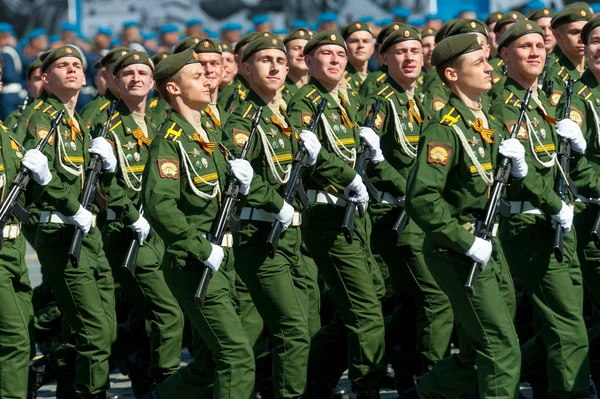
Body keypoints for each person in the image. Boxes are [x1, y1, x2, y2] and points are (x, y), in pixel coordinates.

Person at [142, 49, 279, 399]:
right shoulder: (170, 142)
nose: (208, 79)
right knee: (236, 356)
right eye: (197, 76)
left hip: (223, 258)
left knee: (206, 364)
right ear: (173, 89)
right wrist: (203, 249)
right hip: (196, 261)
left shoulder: (208, 137)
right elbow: (160, 205)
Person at [406, 33, 523, 399]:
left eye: (488, 61)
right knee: (500, 347)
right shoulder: (445, 129)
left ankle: (428, 392)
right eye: (479, 63)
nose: (490, 69)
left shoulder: (483, 121)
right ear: (452, 75)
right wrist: (466, 241)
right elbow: (422, 198)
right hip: (459, 248)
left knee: (479, 347)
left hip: (489, 241)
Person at [491, 20, 600, 396]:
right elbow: (519, 173)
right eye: (524, 47)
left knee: (561, 324)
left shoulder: (549, 103)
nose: (535, 52)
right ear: (504, 54)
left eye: (540, 45)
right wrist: (554, 202)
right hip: (527, 222)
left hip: (560, 223)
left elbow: (572, 167)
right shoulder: (497, 104)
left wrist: (581, 151)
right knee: (569, 325)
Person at [287, 30, 386, 398]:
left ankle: (314, 376)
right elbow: (309, 159)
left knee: (371, 296)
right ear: (308, 62)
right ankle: (366, 387)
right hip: (329, 217)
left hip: (357, 215)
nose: (334, 60)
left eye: (339, 55)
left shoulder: (345, 100)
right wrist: (348, 178)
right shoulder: (304, 102)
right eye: (325, 54)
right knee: (365, 312)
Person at [221, 33, 317, 398]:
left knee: (303, 327)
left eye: (280, 60)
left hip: (293, 237)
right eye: (265, 60)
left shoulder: (285, 114)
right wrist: (276, 204)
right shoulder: (242, 120)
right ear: (245, 69)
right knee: (291, 329)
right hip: (261, 237)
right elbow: (244, 177)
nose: (276, 66)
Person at [358, 24, 454, 390]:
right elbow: (372, 160)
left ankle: (403, 366)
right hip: (396, 216)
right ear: (383, 58)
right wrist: (413, 192)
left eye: (415, 51)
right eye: (399, 52)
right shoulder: (379, 100)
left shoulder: (431, 98)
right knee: (436, 298)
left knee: (411, 304)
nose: (410, 57)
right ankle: (435, 383)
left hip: (427, 212)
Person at [24, 45, 118, 398]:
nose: (72, 69)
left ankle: (44, 373)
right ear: (46, 78)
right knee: (94, 333)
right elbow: (41, 180)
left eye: (77, 64)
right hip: (60, 231)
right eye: (63, 65)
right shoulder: (40, 119)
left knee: (104, 331)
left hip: (87, 231)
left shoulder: (75, 121)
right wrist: (70, 204)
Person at [91, 50, 184, 393]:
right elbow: (103, 187)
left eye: (143, 73)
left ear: (153, 81)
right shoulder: (105, 127)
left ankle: (135, 368)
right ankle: (167, 387)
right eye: (127, 73)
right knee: (168, 313)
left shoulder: (163, 121)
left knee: (146, 317)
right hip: (129, 232)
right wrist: (133, 217)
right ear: (115, 82)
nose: (136, 79)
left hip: (162, 230)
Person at [546, 4, 592, 105]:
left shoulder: (592, 68)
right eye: (575, 32)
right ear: (558, 36)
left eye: (585, 32)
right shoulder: (556, 77)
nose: (581, 39)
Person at [340, 21, 375, 91]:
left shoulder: (377, 81)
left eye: (365, 41)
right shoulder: (339, 80)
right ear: (345, 47)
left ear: (372, 48)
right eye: (354, 41)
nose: (361, 45)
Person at [282, 28, 312, 101]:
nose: (302, 53)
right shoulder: (278, 90)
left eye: (306, 49)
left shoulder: (320, 85)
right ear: (286, 54)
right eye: (296, 48)